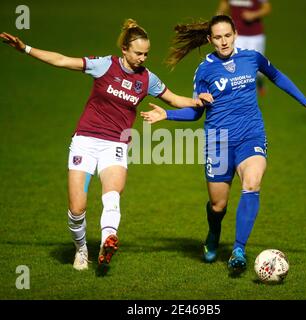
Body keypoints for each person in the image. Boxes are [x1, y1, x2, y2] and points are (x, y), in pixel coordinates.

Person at [0, 19, 210, 272]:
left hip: (115, 144)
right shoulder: (103, 65)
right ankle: (81, 250)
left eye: (146, 54)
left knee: (112, 195)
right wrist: (25, 48)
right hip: (85, 141)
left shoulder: (147, 79)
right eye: (138, 53)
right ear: (124, 49)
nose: (143, 58)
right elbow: (62, 60)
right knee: (77, 208)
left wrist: (199, 101)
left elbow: (175, 99)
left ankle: (107, 241)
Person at [141, 15, 306, 274]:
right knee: (218, 205)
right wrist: (167, 114)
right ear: (210, 40)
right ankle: (213, 234)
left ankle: (239, 250)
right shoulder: (204, 70)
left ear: (235, 34)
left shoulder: (251, 57)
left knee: (252, 183)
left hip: (251, 136)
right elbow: (196, 112)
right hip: (218, 142)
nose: (223, 42)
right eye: (218, 37)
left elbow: (277, 76)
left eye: (227, 36)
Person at [217, 0, 272, 95]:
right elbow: (224, 3)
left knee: (256, 66)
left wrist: (254, 14)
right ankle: (239, 93)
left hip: (255, 35)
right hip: (236, 34)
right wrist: (219, 15)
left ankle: (259, 83)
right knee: (235, 64)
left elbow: (267, 8)